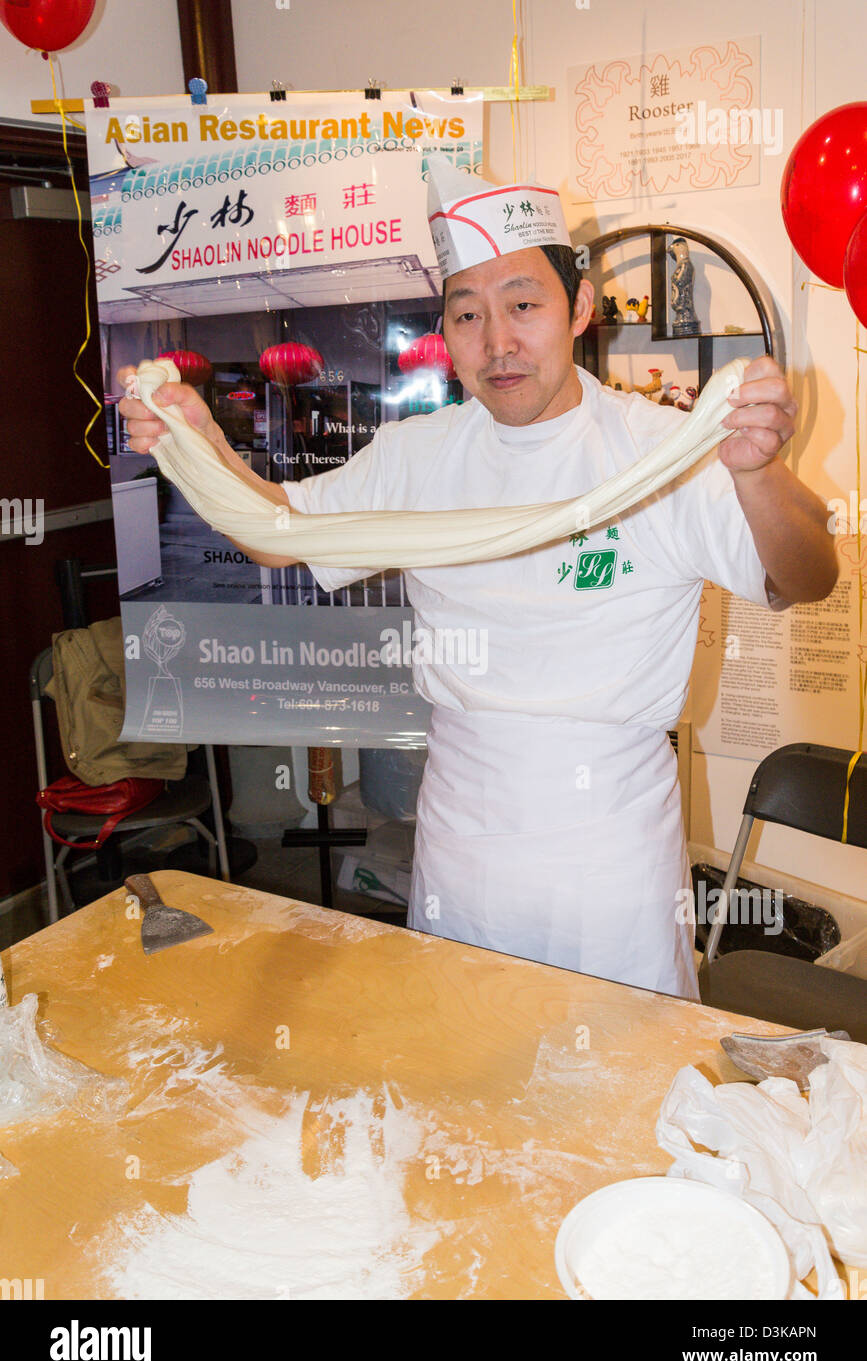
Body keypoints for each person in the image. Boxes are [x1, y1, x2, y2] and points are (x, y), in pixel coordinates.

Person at [118, 159, 837, 1001]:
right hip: (459, 817)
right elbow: (280, 535)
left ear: (578, 309)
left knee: (613, 1084)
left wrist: (756, 475)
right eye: (467, 314)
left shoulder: (659, 452)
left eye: (523, 305)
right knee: (462, 1057)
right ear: (446, 329)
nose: (497, 343)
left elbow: (804, 577)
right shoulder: (420, 454)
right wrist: (195, 437)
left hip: (605, 834)